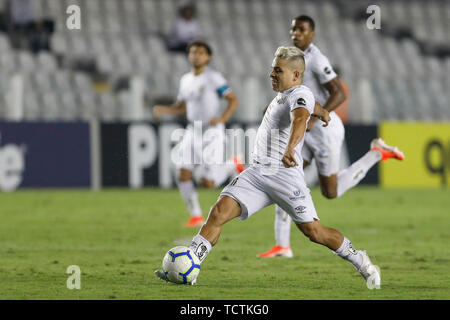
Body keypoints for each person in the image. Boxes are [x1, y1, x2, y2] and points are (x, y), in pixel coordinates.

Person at [156, 46, 381, 288]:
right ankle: (190, 265)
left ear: (296, 75)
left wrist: (290, 147)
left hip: (285, 178)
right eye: (272, 69)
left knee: (315, 233)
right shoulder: (288, 94)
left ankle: (362, 261)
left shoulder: (299, 94)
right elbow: (311, 107)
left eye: (277, 70)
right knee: (218, 212)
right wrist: (324, 111)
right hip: (257, 174)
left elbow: (300, 118)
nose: (271, 74)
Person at [258, 15, 405, 258]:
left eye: (302, 30)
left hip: (323, 130)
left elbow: (339, 92)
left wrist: (315, 118)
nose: (296, 33)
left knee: (330, 192)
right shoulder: (294, 59)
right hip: (303, 128)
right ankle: (282, 245)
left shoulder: (316, 59)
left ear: (312, 34)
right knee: (285, 176)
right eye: (293, 29)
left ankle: (376, 153)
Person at [153, 40, 241, 228]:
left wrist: (223, 118)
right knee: (183, 173)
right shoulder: (185, 79)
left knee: (208, 183)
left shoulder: (213, 78)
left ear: (208, 57)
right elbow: (182, 106)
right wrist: (165, 110)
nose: (196, 56)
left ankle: (232, 164)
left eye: (201, 53)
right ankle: (196, 216)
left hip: (211, 131)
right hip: (193, 130)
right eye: (193, 52)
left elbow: (233, 100)